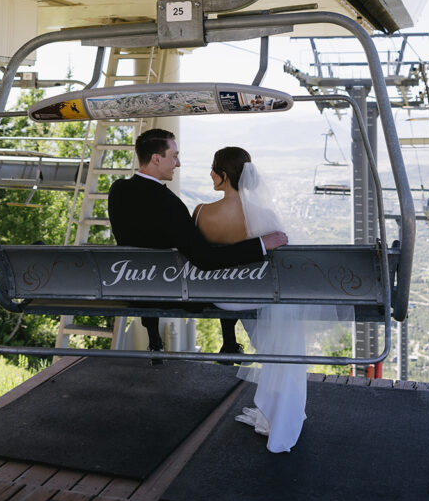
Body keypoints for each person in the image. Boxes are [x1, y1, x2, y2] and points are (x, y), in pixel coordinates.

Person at [195, 146, 337, 455]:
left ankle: (268, 394)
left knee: (272, 336)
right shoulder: (264, 216)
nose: (209, 174)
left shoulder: (201, 212)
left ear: (222, 176)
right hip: (255, 297)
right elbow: (287, 267)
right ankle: (279, 403)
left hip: (220, 299)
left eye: (212, 169)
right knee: (282, 335)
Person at [107, 129, 288, 356]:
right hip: (172, 294)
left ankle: (154, 336)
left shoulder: (117, 191)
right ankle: (230, 343)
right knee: (220, 276)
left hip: (131, 287)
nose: (178, 163)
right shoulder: (170, 205)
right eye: (174, 156)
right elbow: (206, 259)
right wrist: (260, 244)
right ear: (156, 158)